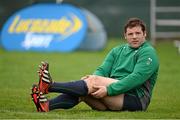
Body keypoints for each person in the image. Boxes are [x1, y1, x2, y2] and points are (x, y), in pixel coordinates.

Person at [31, 17, 159, 112]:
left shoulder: (148, 52)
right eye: (130, 34)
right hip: (114, 96)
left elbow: (135, 79)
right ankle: (46, 105)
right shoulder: (117, 50)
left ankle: (50, 86)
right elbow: (102, 70)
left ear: (145, 34)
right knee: (84, 88)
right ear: (125, 36)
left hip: (135, 99)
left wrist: (107, 88)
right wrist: (91, 83)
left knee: (91, 81)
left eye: (138, 33)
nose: (134, 37)